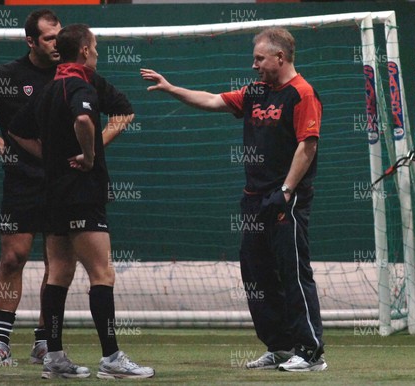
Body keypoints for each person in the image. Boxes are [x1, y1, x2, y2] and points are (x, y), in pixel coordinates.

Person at [140, 27, 327, 372]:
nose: (254, 65)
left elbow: (308, 145)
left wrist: (285, 191)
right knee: (256, 274)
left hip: (287, 198)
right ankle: (280, 346)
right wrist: (171, 89)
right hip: (254, 201)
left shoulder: (302, 93)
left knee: (293, 272)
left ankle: (311, 352)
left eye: (259, 58)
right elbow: (213, 100)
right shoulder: (255, 92)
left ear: (279, 57)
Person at [0, 9, 134, 367]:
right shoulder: (6, 77)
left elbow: (123, 112)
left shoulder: (75, 77)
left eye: (59, 37)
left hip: (65, 185)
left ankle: (45, 344)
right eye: (48, 38)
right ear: (31, 41)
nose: (55, 43)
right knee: (13, 257)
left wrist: (91, 150)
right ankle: (1, 342)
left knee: (59, 266)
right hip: (23, 183)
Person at [9, 23, 153, 380]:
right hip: (82, 193)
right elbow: (84, 119)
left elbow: (15, 130)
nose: (98, 52)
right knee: (102, 273)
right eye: (96, 46)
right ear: (85, 51)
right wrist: (88, 156)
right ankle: (111, 358)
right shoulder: (77, 85)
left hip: (53, 193)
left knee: (59, 272)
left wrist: (49, 156)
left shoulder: (48, 89)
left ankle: (54, 356)